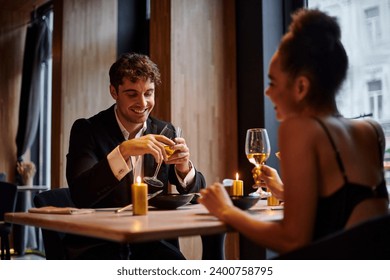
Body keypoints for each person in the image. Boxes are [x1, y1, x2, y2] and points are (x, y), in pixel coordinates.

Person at [198, 9, 389, 255]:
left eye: (272, 83)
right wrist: (283, 192)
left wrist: (226, 210)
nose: (268, 93)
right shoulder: (371, 130)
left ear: (301, 87)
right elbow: (344, 215)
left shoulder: (300, 128)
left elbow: (292, 241)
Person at [66, 52, 206, 259]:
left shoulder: (164, 129)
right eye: (132, 94)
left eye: (148, 93)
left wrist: (184, 168)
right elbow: (81, 193)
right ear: (114, 91)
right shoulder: (87, 130)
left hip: (154, 240)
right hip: (102, 242)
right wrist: (124, 151)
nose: (142, 103)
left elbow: (198, 192)